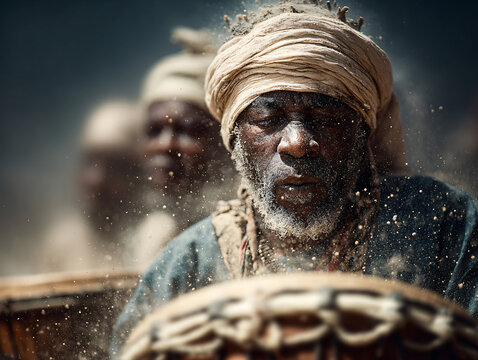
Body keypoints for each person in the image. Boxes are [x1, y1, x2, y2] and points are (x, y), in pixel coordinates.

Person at [111, 2, 478, 356]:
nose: (298, 143)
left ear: (363, 133)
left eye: (327, 117)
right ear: (235, 142)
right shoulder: (186, 266)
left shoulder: (440, 224)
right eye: (268, 119)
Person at [134, 27, 235, 257]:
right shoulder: (154, 232)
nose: (165, 145)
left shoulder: (245, 231)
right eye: (154, 130)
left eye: (187, 131)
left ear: (224, 141)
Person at [40, 100, 144, 272]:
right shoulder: (62, 242)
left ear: (138, 173)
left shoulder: (155, 234)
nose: (97, 180)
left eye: (114, 166)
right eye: (91, 162)